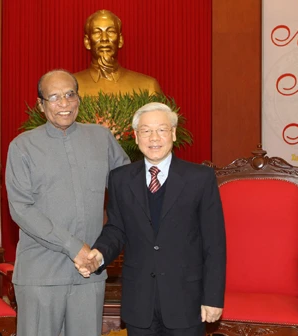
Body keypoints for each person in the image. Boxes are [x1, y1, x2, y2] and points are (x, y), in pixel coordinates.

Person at [77, 102, 226, 335]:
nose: (154, 137)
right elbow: (116, 228)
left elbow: (214, 244)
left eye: (162, 130)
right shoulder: (120, 179)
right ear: (136, 137)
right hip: (140, 300)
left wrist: (213, 297)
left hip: (186, 300)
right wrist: (99, 254)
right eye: (146, 131)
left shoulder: (200, 178)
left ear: (173, 134)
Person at [5, 69, 130, 336]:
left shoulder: (101, 138)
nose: (64, 103)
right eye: (54, 97)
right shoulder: (22, 147)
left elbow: (128, 189)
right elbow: (21, 209)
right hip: (41, 275)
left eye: (70, 94)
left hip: (89, 273)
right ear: (41, 105)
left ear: (79, 99)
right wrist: (74, 247)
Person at [74, 9, 162, 97]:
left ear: (120, 40)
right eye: (97, 32)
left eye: (111, 32)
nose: (104, 38)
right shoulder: (70, 87)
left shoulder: (148, 87)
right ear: (87, 42)